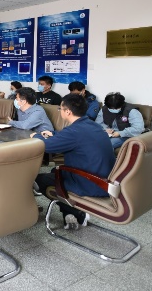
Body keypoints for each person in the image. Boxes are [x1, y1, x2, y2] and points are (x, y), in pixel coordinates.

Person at [33, 94, 116, 230]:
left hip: (89, 184)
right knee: (55, 172)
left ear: (68, 112)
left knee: (39, 179)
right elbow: (71, 137)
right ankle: (70, 212)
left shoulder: (74, 131)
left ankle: (74, 212)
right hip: (105, 179)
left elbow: (46, 146)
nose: (59, 111)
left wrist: (36, 136)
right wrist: (54, 134)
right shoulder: (93, 126)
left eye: (60, 109)